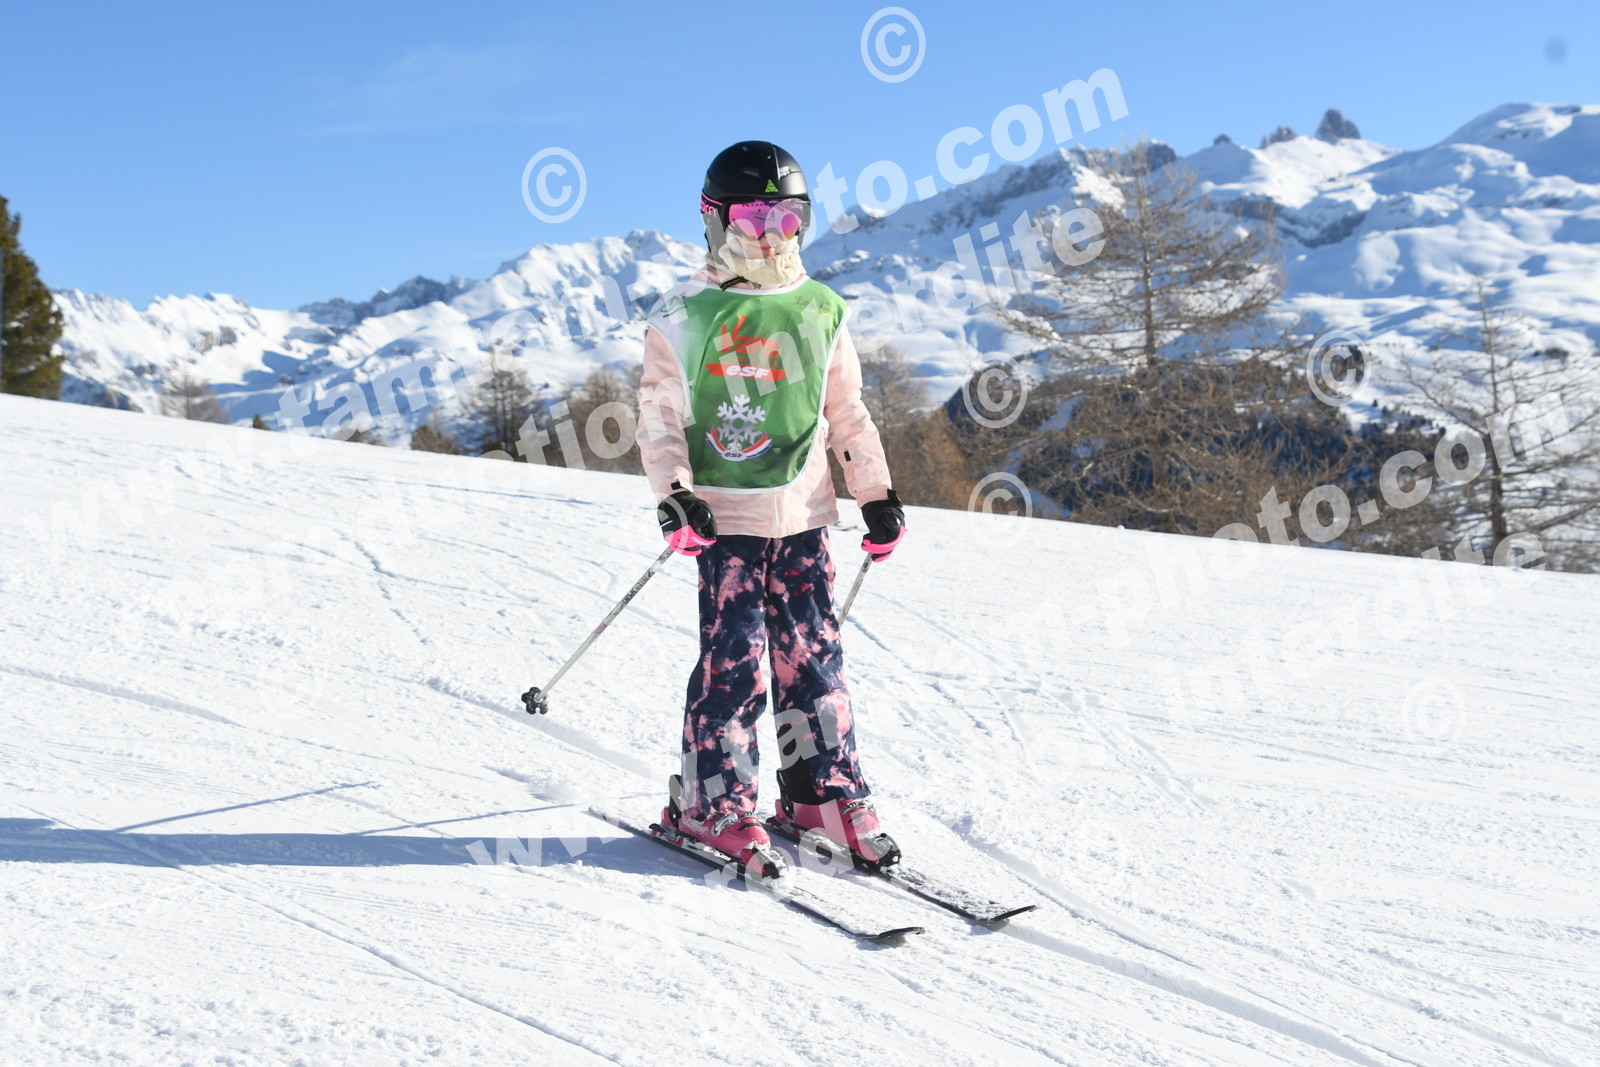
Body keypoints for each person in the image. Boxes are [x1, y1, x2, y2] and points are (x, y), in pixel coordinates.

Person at [636, 140, 906, 877]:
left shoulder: (820, 309)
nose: (770, 235)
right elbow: (660, 416)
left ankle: (823, 793)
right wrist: (675, 494)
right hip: (723, 519)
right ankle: (714, 801)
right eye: (752, 218)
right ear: (714, 219)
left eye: (787, 218)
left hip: (804, 514)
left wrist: (875, 493)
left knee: (815, 659)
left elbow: (846, 411)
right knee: (735, 664)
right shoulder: (684, 313)